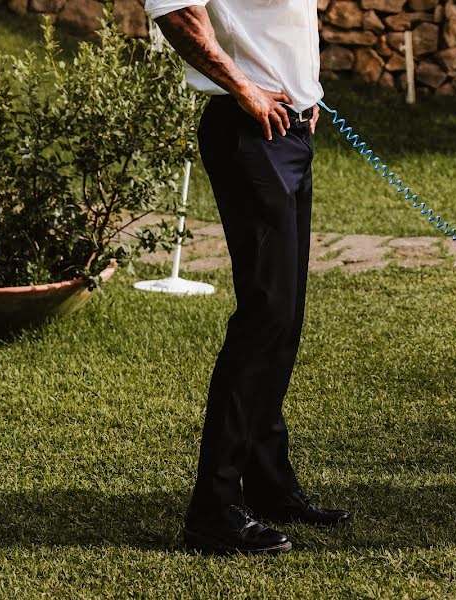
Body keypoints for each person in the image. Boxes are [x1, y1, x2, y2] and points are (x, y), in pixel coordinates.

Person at [145, 0, 349, 554]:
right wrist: (244, 88)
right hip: (249, 129)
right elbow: (174, 11)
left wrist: (306, 96)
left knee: (284, 319)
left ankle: (268, 484)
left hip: (293, 128)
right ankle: (213, 510)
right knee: (266, 316)